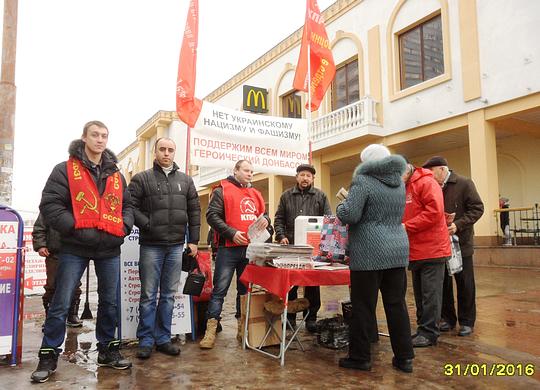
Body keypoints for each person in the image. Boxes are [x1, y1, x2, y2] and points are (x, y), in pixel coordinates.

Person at [31, 121, 134, 383]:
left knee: (110, 302)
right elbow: (51, 204)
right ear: (84, 138)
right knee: (61, 301)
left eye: (104, 136)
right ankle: (48, 355)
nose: (100, 140)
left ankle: (108, 351)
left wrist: (123, 227)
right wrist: (75, 228)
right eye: (95, 135)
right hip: (74, 246)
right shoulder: (64, 170)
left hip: (109, 246)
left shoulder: (116, 175)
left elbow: (127, 206)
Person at [336, 144, 414, 373]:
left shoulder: (363, 182)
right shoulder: (399, 182)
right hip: (397, 250)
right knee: (396, 305)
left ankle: (360, 358)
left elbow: (350, 214)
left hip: (369, 252)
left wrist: (342, 205)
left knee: (362, 307)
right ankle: (405, 358)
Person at [128, 137, 201, 359]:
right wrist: (147, 224)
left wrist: (194, 240)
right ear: (155, 152)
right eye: (162, 149)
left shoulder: (186, 180)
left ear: (174, 152)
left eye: (170, 149)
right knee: (149, 295)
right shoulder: (142, 179)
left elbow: (194, 211)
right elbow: (129, 206)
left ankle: (163, 339)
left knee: (169, 295)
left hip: (176, 246)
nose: (166, 153)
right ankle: (146, 340)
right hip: (151, 245)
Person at [200, 160, 270, 349]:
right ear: (236, 171)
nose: (250, 174)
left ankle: (243, 330)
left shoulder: (256, 194)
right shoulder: (221, 190)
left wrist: (266, 220)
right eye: (246, 170)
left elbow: (263, 216)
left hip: (250, 249)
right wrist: (231, 233)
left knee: (244, 291)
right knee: (219, 290)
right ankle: (210, 332)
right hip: (227, 249)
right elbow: (211, 216)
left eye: (252, 171)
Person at [422, 156, 484, 337]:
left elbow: (477, 208)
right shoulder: (433, 187)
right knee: (444, 284)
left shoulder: (464, 183)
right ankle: (448, 319)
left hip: (461, 243)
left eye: (432, 173)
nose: (430, 177)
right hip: (440, 244)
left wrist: (458, 224)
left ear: (442, 169)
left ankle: (467, 321)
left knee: (465, 283)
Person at [274, 163, 331, 331]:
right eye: (302, 175)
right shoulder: (286, 196)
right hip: (291, 246)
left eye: (308, 175)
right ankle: (290, 317)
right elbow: (279, 219)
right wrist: (281, 235)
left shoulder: (321, 196)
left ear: (313, 178)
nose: (305, 178)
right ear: (297, 177)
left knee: (312, 283)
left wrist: (324, 244)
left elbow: (328, 221)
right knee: (291, 282)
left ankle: (311, 317)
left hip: (313, 249)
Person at [402, 161, 451, 347]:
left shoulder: (426, 183)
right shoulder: (407, 185)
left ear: (407, 169)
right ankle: (423, 329)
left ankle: (429, 333)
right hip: (416, 250)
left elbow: (433, 212)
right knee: (420, 295)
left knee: (431, 295)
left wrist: (407, 226)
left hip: (432, 249)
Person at [33, 213, 83, 327]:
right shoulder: (49, 208)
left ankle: (72, 315)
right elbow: (39, 228)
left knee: (75, 286)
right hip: (54, 254)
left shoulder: (80, 206)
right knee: (51, 286)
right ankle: (50, 318)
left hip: (76, 253)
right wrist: (40, 245)